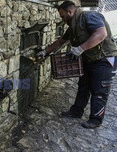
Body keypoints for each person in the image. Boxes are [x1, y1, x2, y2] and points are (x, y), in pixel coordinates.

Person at [36, 0, 117, 129]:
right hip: (89, 59)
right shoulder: (73, 26)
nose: (62, 19)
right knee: (83, 86)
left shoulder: (89, 16)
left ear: (70, 11)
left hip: (104, 59)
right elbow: (60, 41)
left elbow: (101, 34)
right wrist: (44, 52)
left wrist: (80, 49)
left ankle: (96, 119)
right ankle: (76, 111)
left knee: (99, 90)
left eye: (63, 16)